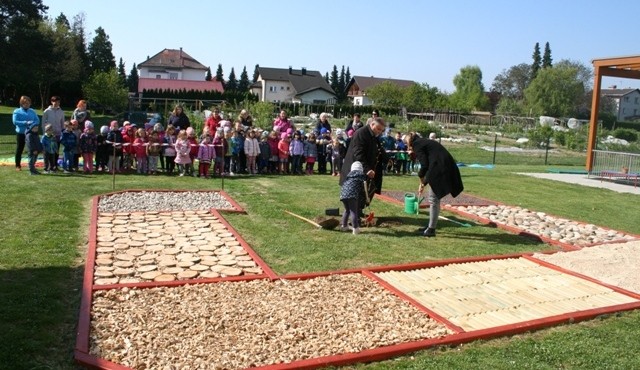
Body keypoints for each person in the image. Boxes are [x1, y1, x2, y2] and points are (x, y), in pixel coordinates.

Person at [406, 133, 464, 237]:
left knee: (433, 199)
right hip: (440, 166)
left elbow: (424, 165)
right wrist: (424, 182)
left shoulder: (417, 145)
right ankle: (430, 226)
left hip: (440, 168)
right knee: (433, 199)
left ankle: (431, 229)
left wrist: (421, 178)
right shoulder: (424, 142)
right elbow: (428, 164)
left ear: (409, 141)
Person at [340, 117, 387, 217]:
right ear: (372, 124)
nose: (379, 132)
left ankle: (358, 210)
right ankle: (354, 216)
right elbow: (358, 153)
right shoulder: (361, 133)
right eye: (378, 129)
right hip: (355, 169)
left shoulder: (373, 135)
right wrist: (367, 169)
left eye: (381, 130)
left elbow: (377, 150)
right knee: (354, 192)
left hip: (365, 169)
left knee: (364, 192)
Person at [12, 96, 39, 171]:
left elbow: (37, 120)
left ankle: (32, 165)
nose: (27, 104)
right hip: (21, 133)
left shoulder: (32, 111)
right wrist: (25, 122)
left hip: (31, 133)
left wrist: (32, 124)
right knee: (19, 149)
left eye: (28, 103)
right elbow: (15, 122)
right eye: (25, 103)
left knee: (33, 149)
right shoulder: (17, 111)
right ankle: (18, 165)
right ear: (21, 103)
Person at [340, 161, 367, 235]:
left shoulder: (349, 175)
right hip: (352, 195)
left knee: (347, 210)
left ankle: (344, 226)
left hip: (343, 194)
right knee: (353, 211)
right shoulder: (361, 175)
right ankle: (355, 228)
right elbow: (363, 186)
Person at [42, 96, 65, 162]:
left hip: (58, 134)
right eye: (55, 101)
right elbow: (43, 122)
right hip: (49, 134)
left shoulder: (61, 112)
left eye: (58, 102)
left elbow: (62, 122)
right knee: (49, 150)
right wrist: (44, 132)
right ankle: (49, 164)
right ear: (52, 102)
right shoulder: (47, 111)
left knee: (56, 149)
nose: (56, 103)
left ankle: (55, 164)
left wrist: (62, 132)